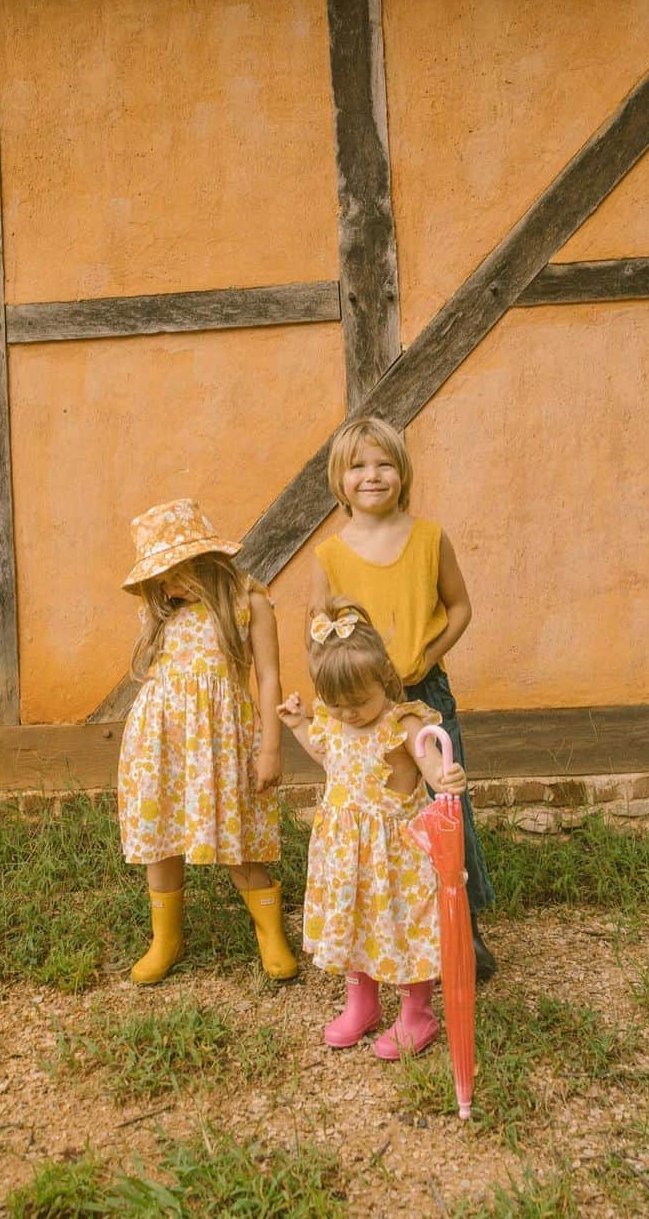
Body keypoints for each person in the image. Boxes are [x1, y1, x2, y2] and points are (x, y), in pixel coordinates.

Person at [307, 415, 497, 980]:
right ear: (340, 482)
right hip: (365, 710)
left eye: (384, 464)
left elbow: (459, 607)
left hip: (423, 693)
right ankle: (384, 928)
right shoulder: (329, 557)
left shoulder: (430, 538)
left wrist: (426, 654)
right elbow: (320, 636)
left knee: (446, 808)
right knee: (381, 816)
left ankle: (464, 928)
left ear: (402, 473)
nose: (372, 475)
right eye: (358, 466)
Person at [117, 498, 296, 985]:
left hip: (222, 744)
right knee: (162, 840)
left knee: (238, 839)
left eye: (175, 574)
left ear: (207, 561)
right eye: (160, 581)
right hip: (161, 745)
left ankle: (270, 934)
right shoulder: (164, 615)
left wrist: (271, 746)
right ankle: (166, 939)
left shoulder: (249, 603)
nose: (169, 587)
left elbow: (269, 677)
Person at [277, 600, 466, 1058]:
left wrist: (445, 777)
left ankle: (416, 1012)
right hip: (345, 854)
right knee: (354, 922)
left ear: (382, 675)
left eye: (359, 702)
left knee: (401, 928)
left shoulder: (402, 724)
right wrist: (302, 724)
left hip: (393, 855)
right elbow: (329, 757)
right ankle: (361, 1003)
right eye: (337, 706)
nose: (350, 714)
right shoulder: (336, 721)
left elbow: (428, 762)